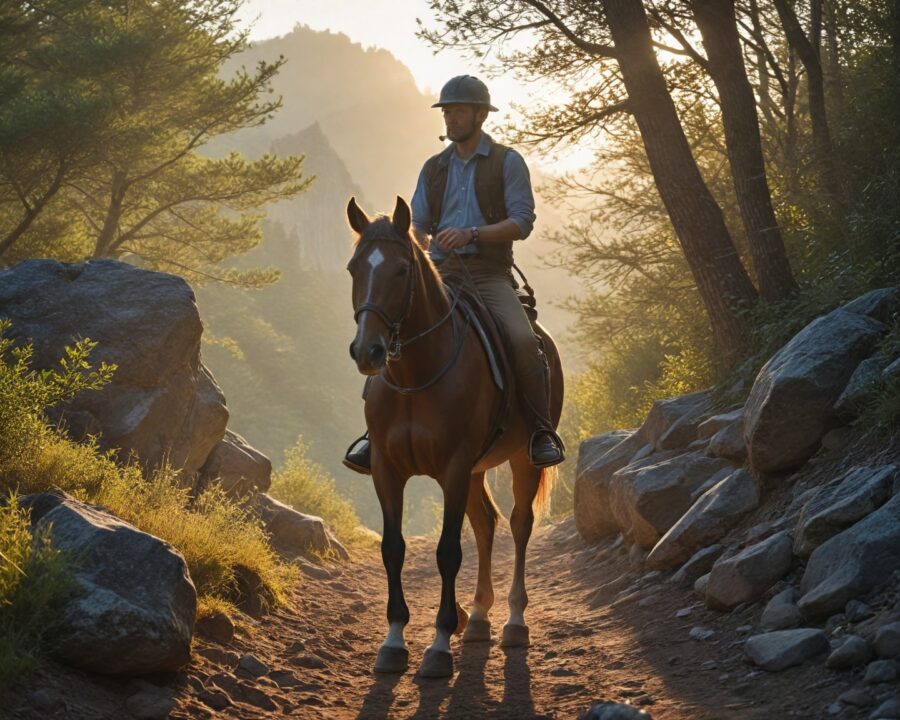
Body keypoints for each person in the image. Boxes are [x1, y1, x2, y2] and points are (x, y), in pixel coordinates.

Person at [343, 74, 565, 472]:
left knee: (522, 339)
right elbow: (418, 224)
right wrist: (417, 245)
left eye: (458, 111)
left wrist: (472, 233)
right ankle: (374, 435)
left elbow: (522, 221)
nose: (450, 118)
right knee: (389, 328)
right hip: (439, 272)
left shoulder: (506, 162)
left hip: (489, 273)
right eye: (447, 112)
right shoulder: (434, 168)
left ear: (480, 115)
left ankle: (539, 430)